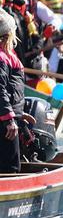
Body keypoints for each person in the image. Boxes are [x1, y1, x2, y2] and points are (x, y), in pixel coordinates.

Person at [0, 9, 27, 173]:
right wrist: (9, 119)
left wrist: (18, 113)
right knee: (10, 169)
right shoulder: (2, 57)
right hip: (4, 122)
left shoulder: (6, 55)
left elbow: (11, 89)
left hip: (7, 116)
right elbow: (0, 89)